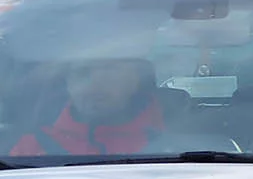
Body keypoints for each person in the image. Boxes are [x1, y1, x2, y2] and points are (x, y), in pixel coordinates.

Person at [12, 56, 164, 156]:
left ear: (135, 82)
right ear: (68, 85)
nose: (94, 83)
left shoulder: (172, 147)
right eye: (83, 73)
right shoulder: (30, 149)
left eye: (109, 71)